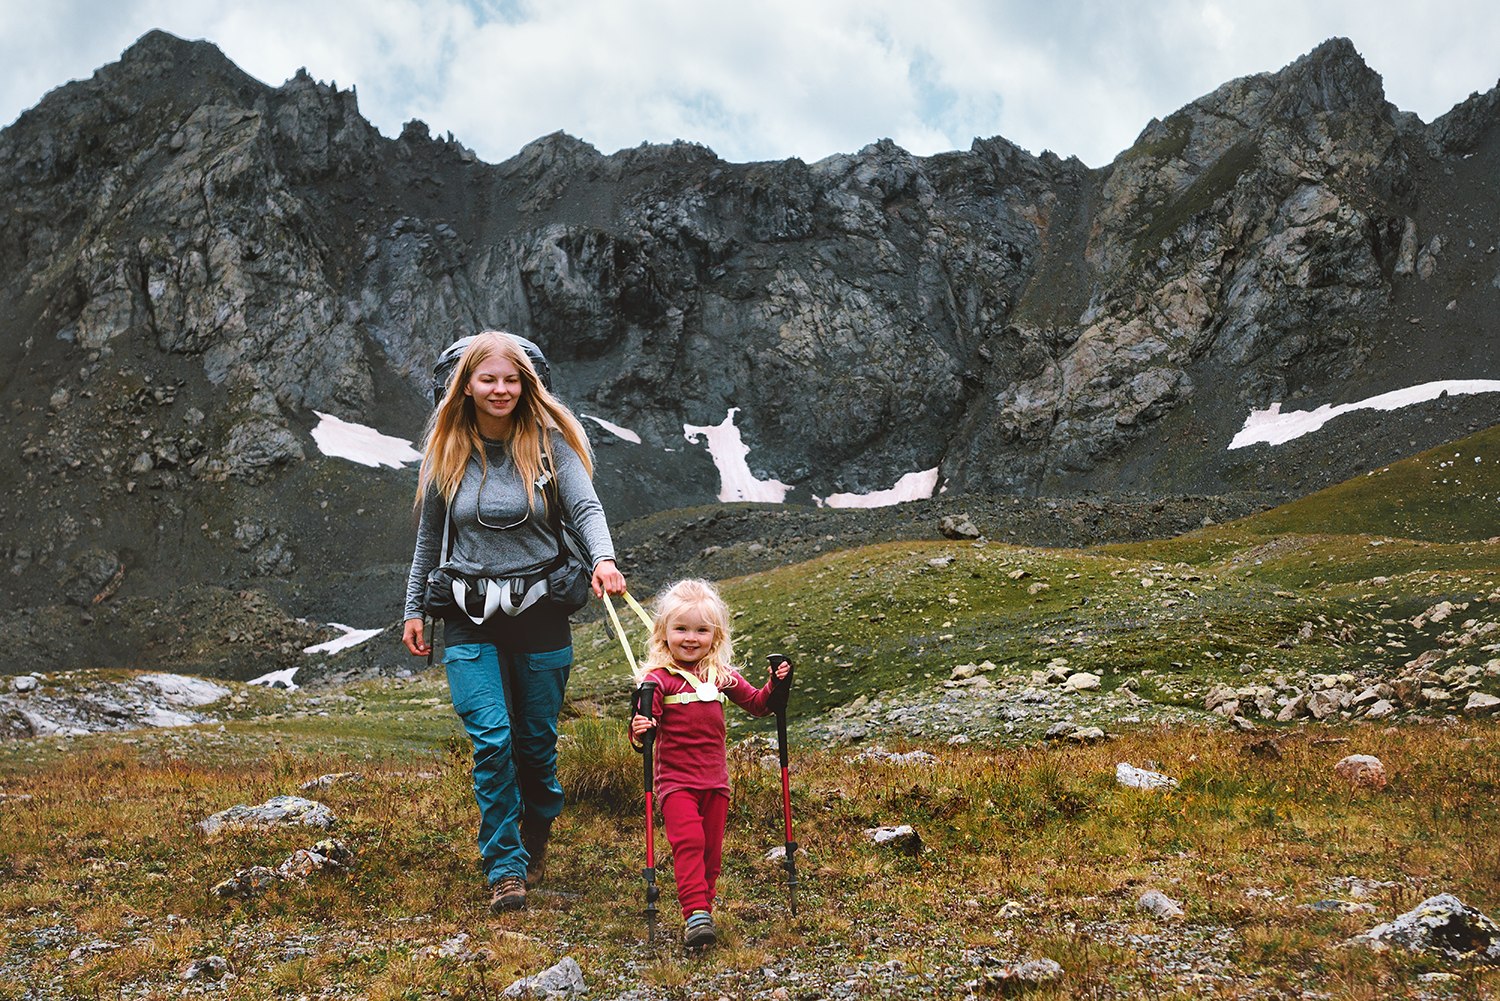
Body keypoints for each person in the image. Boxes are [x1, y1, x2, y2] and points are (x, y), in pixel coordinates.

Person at [402, 330, 626, 914]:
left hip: (542, 612)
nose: (501, 389)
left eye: (512, 379)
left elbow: (585, 507)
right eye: (488, 379)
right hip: (468, 615)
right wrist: (415, 609)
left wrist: (602, 558)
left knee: (535, 746)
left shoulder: (551, 447)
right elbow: (430, 537)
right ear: (465, 385)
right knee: (493, 741)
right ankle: (504, 866)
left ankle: (537, 831)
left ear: (529, 384)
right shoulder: (447, 451)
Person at [629, 579, 792, 947]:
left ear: (715, 635)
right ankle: (695, 914)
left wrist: (775, 685)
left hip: (716, 782)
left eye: (701, 629)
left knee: (710, 852)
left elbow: (757, 704)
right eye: (681, 629)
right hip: (676, 782)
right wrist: (639, 728)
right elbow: (643, 725)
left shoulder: (721, 675)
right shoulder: (658, 681)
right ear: (664, 632)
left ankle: (705, 908)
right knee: (689, 842)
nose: (691, 638)